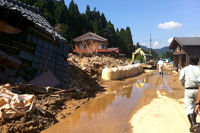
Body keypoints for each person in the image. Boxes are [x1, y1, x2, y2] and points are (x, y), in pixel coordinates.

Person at [179, 54, 200, 132]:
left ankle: (192, 123)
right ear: (198, 61)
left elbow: (181, 79)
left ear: (189, 61)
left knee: (189, 106)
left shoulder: (185, 69)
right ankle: (194, 120)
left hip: (188, 90)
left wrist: (183, 84)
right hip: (199, 90)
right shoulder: (199, 69)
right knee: (197, 105)